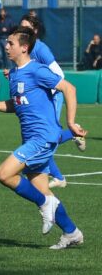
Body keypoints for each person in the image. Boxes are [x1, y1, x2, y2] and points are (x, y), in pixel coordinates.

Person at [0, 26, 86, 250]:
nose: (6, 46)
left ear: (24, 47)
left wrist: (70, 122)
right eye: (6, 43)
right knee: (44, 190)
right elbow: (17, 103)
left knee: (4, 173)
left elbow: (69, 88)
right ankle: (72, 232)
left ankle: (44, 204)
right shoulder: (16, 73)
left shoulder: (37, 70)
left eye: (11, 43)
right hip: (31, 139)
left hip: (43, 138)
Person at [19, 14, 86, 189]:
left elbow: (59, 75)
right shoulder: (24, 48)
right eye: (21, 27)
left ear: (35, 30)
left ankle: (57, 174)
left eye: (26, 28)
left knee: (43, 137)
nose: (22, 31)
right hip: (40, 99)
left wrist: (45, 90)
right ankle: (58, 175)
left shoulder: (41, 49)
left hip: (52, 97)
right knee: (40, 137)